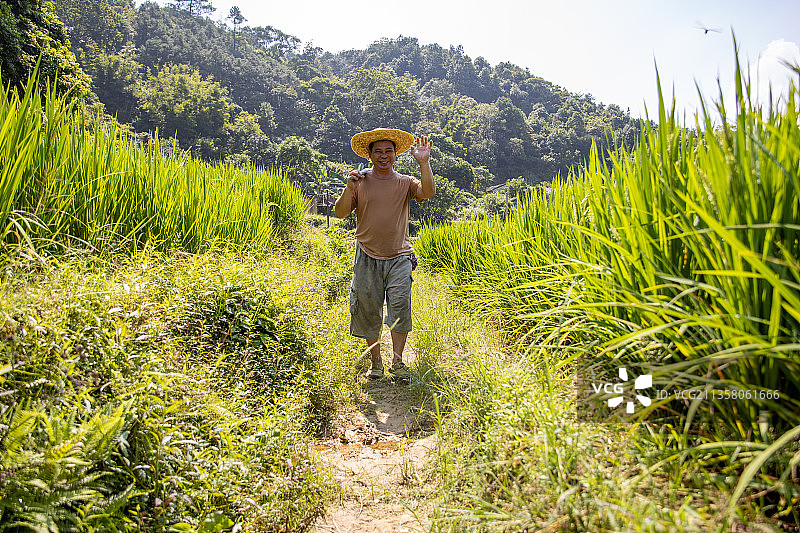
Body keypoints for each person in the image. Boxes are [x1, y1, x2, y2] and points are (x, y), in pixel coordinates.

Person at [334, 128, 435, 380]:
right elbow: (340, 213)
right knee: (369, 308)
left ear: (396, 154)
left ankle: (398, 362)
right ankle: (375, 362)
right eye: (377, 151)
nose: (383, 155)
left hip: (400, 256)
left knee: (400, 306)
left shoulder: (405, 182)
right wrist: (349, 188)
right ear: (369, 155)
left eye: (388, 151)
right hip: (367, 255)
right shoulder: (359, 181)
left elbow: (429, 192)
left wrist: (424, 163)